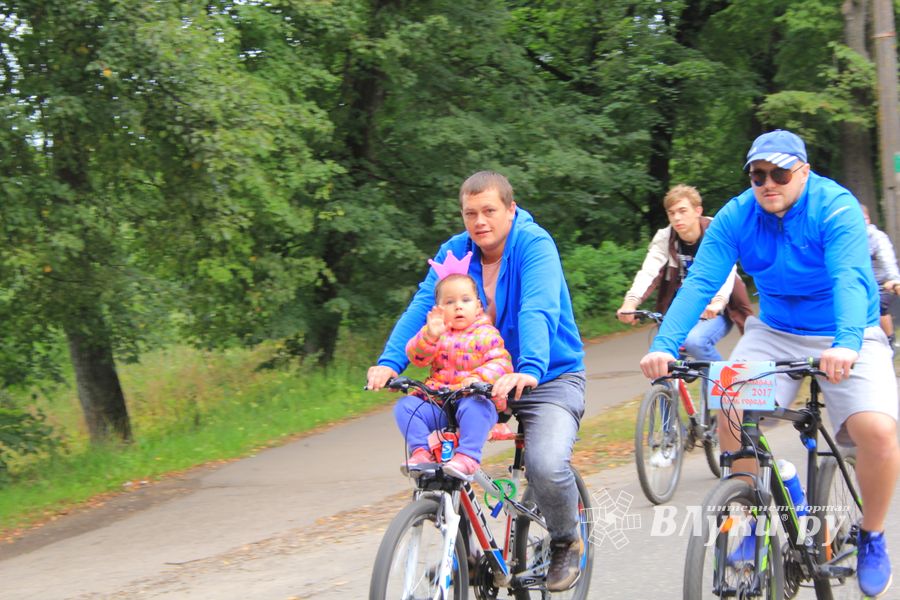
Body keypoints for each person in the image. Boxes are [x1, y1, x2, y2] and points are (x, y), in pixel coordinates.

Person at [639, 129, 899, 598]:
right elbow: (700, 283)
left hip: (848, 331)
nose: (767, 183)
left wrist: (845, 343)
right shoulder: (739, 215)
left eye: (779, 172)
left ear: (803, 171)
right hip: (775, 330)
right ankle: (749, 522)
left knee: (877, 432)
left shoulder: (834, 207)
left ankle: (873, 535)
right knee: (732, 410)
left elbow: (850, 278)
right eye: (758, 175)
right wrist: (665, 344)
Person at [367, 170, 587, 592]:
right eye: (471, 213)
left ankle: (566, 540)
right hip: (473, 381)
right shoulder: (456, 252)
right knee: (443, 461)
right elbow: (421, 309)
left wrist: (531, 367)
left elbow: (537, 308)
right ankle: (464, 549)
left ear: (511, 209)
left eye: (489, 210)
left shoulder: (534, 245)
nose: (480, 221)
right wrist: (390, 361)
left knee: (544, 462)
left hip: (548, 375)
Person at [394, 256, 513, 480]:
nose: (458, 306)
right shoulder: (438, 334)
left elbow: (502, 363)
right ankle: (421, 452)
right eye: (449, 302)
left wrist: (478, 378)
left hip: (475, 400)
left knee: (474, 406)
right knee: (406, 408)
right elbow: (417, 357)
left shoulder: (485, 333)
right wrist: (429, 335)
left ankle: (468, 456)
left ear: (478, 306)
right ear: (439, 309)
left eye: (465, 300)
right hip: (441, 403)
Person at [616, 184, 754, 360]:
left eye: (682, 211)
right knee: (663, 356)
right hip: (683, 307)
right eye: (671, 213)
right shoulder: (666, 238)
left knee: (695, 342)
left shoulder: (716, 230)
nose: (677, 218)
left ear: (698, 211)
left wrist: (718, 302)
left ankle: (723, 383)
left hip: (717, 307)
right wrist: (631, 302)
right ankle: (666, 389)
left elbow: (726, 272)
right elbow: (649, 271)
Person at [861, 204, 900, 347]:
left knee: (878, 307)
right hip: (864, 283)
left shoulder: (876, 237)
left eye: (865, 218)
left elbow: (887, 258)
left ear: (869, 219)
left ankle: (889, 340)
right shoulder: (850, 237)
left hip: (884, 281)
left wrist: (894, 279)